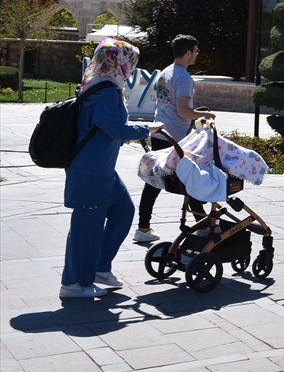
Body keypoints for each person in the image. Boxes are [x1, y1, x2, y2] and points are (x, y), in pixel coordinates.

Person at [61, 39, 163, 297]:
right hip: (91, 170)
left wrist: (131, 132)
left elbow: (107, 128)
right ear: (118, 61)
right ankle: (74, 284)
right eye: (130, 61)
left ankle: (99, 267)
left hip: (102, 168)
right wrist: (146, 129)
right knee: (86, 228)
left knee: (123, 212)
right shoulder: (105, 91)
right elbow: (114, 129)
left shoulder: (102, 85)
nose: (131, 67)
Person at [134, 34, 210, 244]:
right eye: (196, 51)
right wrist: (205, 115)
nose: (196, 55)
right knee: (190, 179)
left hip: (160, 134)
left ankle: (143, 227)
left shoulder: (165, 72)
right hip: (175, 139)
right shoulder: (183, 78)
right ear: (188, 53)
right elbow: (183, 111)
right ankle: (203, 226)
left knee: (154, 182)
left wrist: (195, 112)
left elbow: (170, 105)